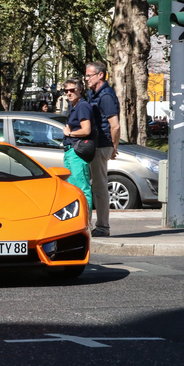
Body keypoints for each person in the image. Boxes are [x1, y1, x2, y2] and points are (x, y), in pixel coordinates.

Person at [85, 61, 120, 237]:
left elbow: (115, 126)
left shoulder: (105, 96)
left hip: (101, 146)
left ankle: (103, 227)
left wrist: (113, 147)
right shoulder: (94, 94)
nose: (86, 79)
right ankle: (87, 225)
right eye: (86, 75)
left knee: (99, 187)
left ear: (100, 75)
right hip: (95, 145)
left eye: (89, 75)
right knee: (84, 185)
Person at [62, 77, 96, 210]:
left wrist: (69, 134)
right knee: (73, 189)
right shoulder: (74, 106)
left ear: (80, 90)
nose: (69, 93)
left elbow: (86, 130)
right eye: (66, 91)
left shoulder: (82, 106)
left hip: (78, 152)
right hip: (71, 151)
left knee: (82, 188)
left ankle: (85, 222)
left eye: (72, 90)